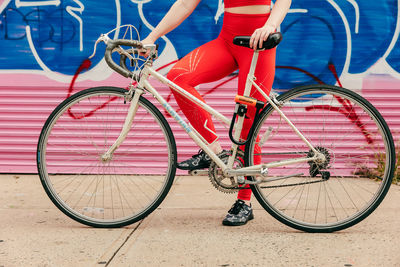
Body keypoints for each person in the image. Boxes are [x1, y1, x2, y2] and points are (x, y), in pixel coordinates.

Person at [141, 0, 291, 226]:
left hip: (259, 42)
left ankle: (245, 202)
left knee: (248, 122)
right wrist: (152, 37)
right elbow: (184, 4)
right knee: (179, 78)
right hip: (228, 40)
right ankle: (212, 149)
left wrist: (271, 25)